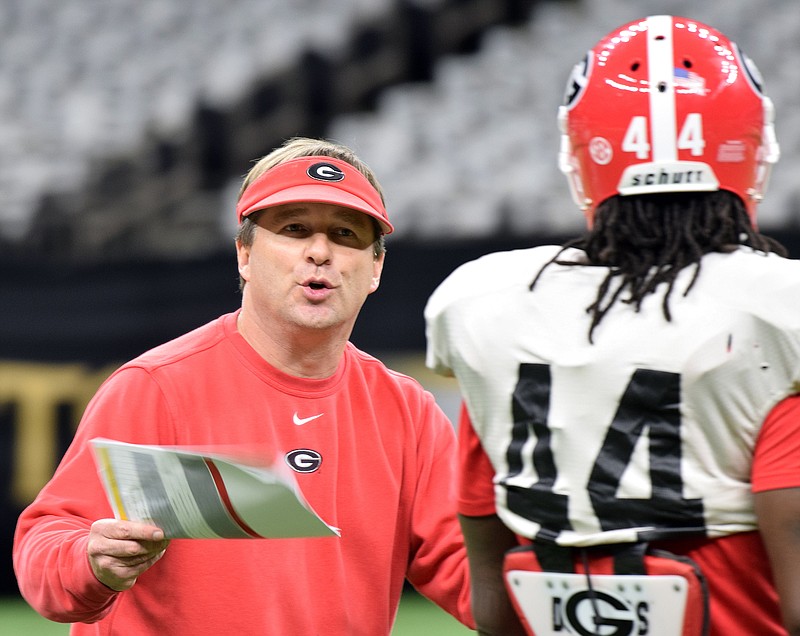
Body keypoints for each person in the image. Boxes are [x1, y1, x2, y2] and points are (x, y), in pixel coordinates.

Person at [425, 14, 800, 636]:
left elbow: (492, 605)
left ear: (584, 155)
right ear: (750, 147)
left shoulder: (486, 308)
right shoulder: (775, 309)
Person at [14, 137, 474, 635]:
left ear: (375, 269)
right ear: (245, 254)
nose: (320, 252)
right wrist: (90, 560)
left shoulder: (407, 411)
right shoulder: (156, 386)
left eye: (345, 234)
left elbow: (471, 573)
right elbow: (45, 546)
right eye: (295, 229)